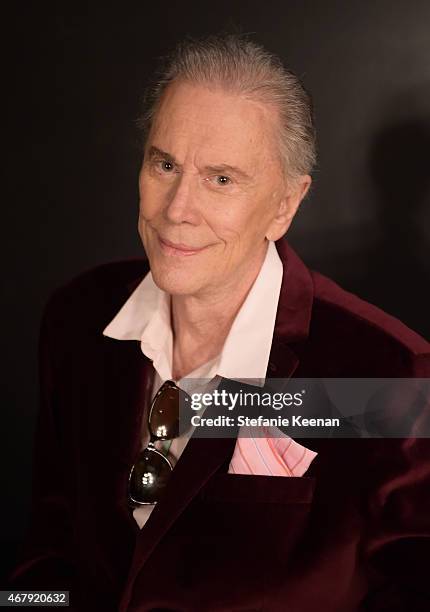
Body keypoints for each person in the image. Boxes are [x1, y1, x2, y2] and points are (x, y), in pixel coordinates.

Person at [7, 33, 430, 611]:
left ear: (285, 204)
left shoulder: (390, 373)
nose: (177, 210)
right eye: (165, 164)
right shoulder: (78, 318)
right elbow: (48, 553)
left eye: (221, 179)